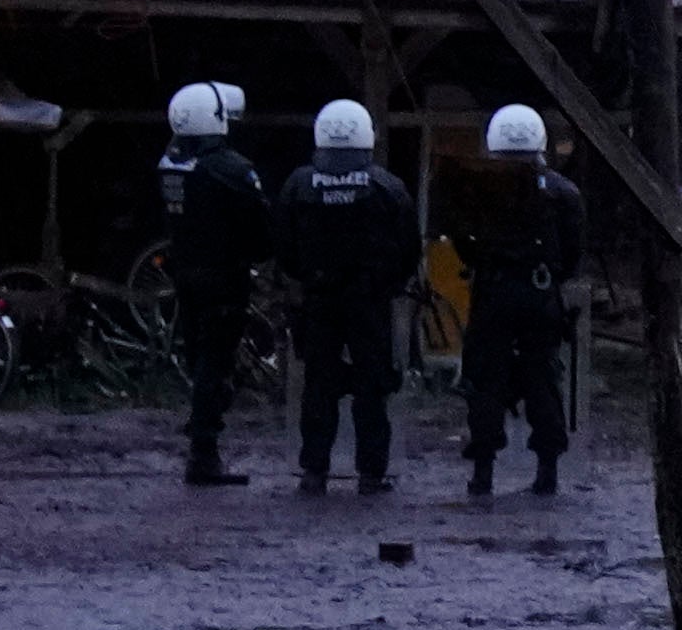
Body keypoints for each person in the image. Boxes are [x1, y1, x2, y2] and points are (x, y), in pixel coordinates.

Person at [276, 94, 425, 499]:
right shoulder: (387, 187)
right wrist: (387, 285)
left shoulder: (298, 184)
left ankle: (314, 472)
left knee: (319, 386)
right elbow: (410, 248)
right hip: (369, 304)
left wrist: (306, 281)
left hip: (319, 302)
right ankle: (371, 475)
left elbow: (285, 249)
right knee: (372, 387)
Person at [458, 100, 579, 499]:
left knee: (485, 379)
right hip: (540, 293)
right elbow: (574, 250)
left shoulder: (474, 187)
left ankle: (483, 473)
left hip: (492, 293)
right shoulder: (562, 191)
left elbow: (462, 240)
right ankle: (547, 472)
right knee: (542, 376)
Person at [157, 81, 273, 488]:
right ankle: (204, 452)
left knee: (200, 359)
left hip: (186, 274)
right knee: (215, 362)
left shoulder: (171, 162)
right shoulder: (230, 169)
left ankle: (203, 439)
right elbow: (260, 228)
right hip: (224, 278)